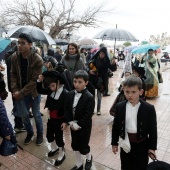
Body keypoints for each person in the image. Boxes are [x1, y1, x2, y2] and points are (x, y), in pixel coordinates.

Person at [111, 75, 157, 170]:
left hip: (142, 144)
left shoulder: (148, 108)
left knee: (141, 166)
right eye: (127, 92)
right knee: (126, 165)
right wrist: (114, 143)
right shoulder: (120, 107)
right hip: (126, 143)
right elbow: (115, 126)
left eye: (133, 92)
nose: (130, 95)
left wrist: (152, 148)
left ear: (141, 92)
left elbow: (153, 130)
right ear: (123, 90)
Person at [10, 33, 43, 145]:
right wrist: (15, 91)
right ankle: (30, 132)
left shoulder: (37, 59)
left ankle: (40, 134)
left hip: (34, 91)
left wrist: (21, 92)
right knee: (24, 115)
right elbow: (12, 75)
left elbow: (35, 81)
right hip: (20, 91)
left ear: (30, 45)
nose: (19, 45)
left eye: (22, 43)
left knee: (36, 113)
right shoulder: (15, 57)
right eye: (18, 42)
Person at [63, 70, 95, 170]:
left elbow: (88, 114)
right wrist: (69, 122)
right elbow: (67, 109)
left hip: (84, 126)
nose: (76, 84)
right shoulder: (70, 94)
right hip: (73, 124)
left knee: (83, 146)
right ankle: (79, 163)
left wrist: (78, 125)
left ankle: (89, 158)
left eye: (80, 82)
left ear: (86, 83)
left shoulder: (89, 97)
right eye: (75, 81)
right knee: (75, 144)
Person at [37, 70, 67, 166]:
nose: (51, 88)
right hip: (51, 118)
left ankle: (62, 153)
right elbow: (40, 90)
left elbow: (68, 110)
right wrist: (39, 80)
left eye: (52, 86)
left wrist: (66, 122)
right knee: (49, 135)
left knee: (59, 137)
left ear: (58, 82)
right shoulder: (51, 90)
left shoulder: (65, 93)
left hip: (60, 119)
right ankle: (54, 148)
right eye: (49, 86)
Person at [88, 47, 117, 115]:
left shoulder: (106, 61)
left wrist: (114, 63)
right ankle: (92, 109)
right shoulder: (94, 59)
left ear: (105, 54)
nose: (101, 55)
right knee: (91, 95)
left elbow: (112, 68)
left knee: (99, 96)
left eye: (103, 54)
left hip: (101, 81)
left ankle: (98, 109)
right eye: (100, 53)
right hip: (93, 79)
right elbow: (88, 66)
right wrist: (89, 71)